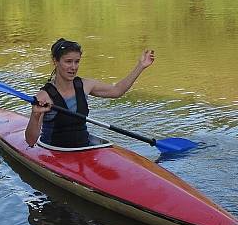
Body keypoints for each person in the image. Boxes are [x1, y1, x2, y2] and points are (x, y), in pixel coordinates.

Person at [25, 38, 155, 148]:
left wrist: (140, 66)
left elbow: (117, 91)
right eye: (68, 61)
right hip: (55, 151)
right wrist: (35, 115)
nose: (73, 67)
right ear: (55, 61)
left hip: (84, 149)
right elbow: (31, 141)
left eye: (77, 61)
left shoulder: (85, 85)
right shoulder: (43, 97)